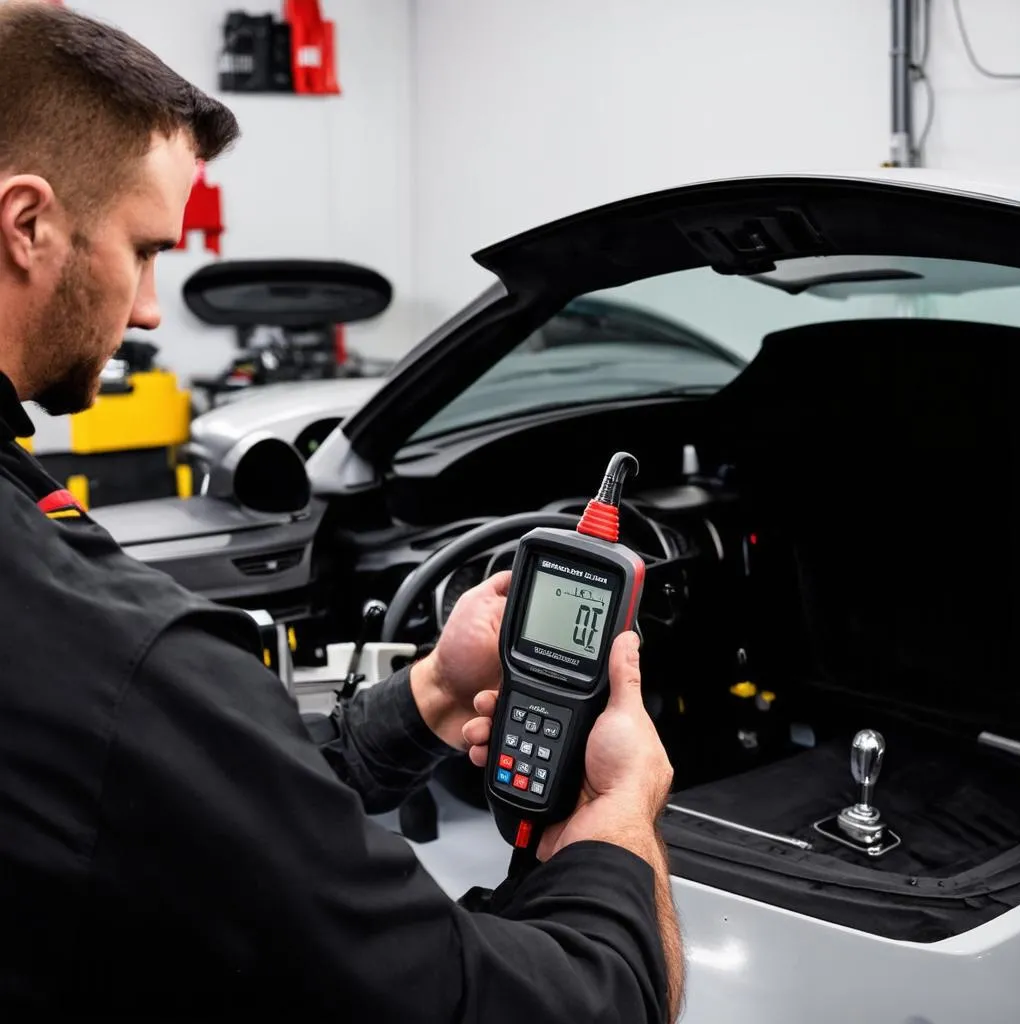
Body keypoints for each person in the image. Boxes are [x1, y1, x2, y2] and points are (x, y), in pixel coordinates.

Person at [0, 2, 683, 1019]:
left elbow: (189, 799)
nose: (150, 307)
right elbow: (549, 1008)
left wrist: (420, 702)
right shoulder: (116, 660)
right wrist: (623, 825)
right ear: (28, 224)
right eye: (145, 250)